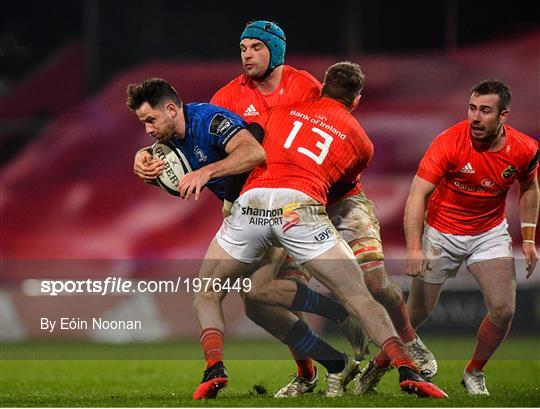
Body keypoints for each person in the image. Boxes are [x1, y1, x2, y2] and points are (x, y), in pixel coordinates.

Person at [134, 20, 369, 397]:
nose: (247, 54)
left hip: (289, 199)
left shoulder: (305, 87)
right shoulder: (225, 97)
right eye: (243, 47)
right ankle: (327, 359)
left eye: (256, 47)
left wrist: (330, 187)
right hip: (247, 208)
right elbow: (178, 149)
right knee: (259, 301)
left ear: (276, 50)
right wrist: (142, 160)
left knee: (264, 294)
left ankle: (348, 344)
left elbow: (330, 128)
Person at [192, 61, 448, 400]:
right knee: (265, 297)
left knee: (210, 290)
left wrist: (225, 188)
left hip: (296, 202)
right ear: (356, 100)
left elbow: (251, 148)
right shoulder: (361, 142)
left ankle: (409, 342)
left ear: (321, 87)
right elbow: (334, 170)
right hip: (304, 204)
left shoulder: (279, 112)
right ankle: (381, 366)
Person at [357, 78, 539, 396]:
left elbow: (530, 186)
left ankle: (474, 372)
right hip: (441, 234)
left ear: (503, 116)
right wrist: (415, 248)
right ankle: (379, 366)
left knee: (504, 308)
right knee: (415, 315)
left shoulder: (525, 148)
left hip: (489, 234)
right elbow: (417, 195)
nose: (475, 117)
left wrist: (527, 236)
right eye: (472, 108)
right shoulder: (449, 142)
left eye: (485, 110)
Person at [126, 77, 266, 201]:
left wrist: (205, 172)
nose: (148, 130)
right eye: (144, 123)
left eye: (151, 120)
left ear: (171, 110)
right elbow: (163, 150)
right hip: (240, 207)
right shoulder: (173, 134)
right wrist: (142, 155)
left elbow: (254, 152)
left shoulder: (208, 121)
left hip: (265, 198)